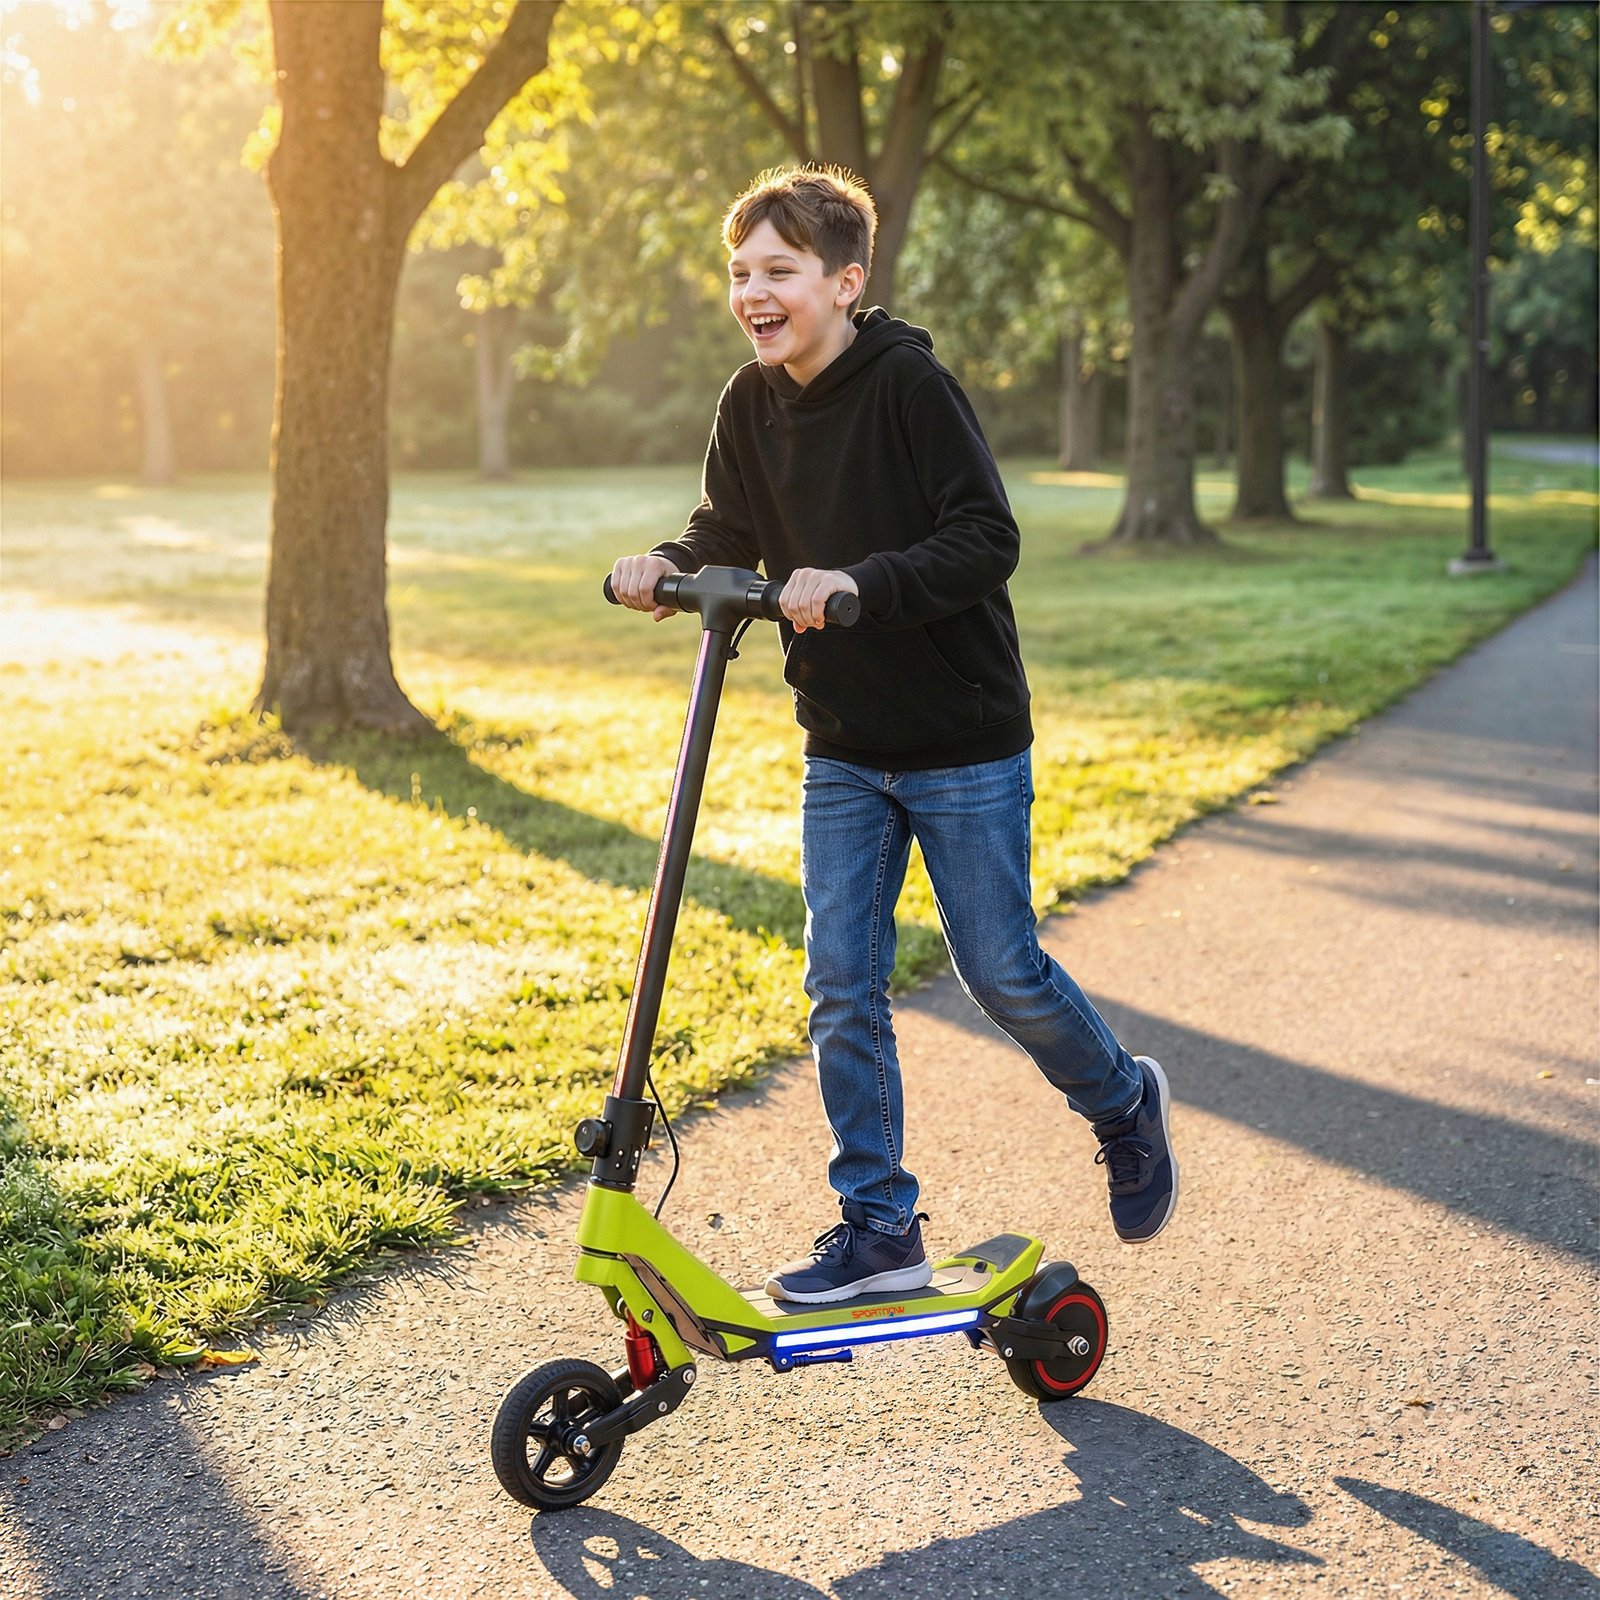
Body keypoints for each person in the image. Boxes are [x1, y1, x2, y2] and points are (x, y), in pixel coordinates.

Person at [609, 166, 1177, 1305]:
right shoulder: (747, 402)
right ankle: (879, 1225)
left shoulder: (909, 385)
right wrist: (669, 567)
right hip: (844, 742)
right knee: (841, 982)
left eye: (778, 271)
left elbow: (985, 538)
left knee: (1000, 971)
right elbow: (725, 525)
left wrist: (861, 584)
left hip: (960, 737)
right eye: (739, 275)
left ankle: (1121, 1099)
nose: (752, 294)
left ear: (845, 280)